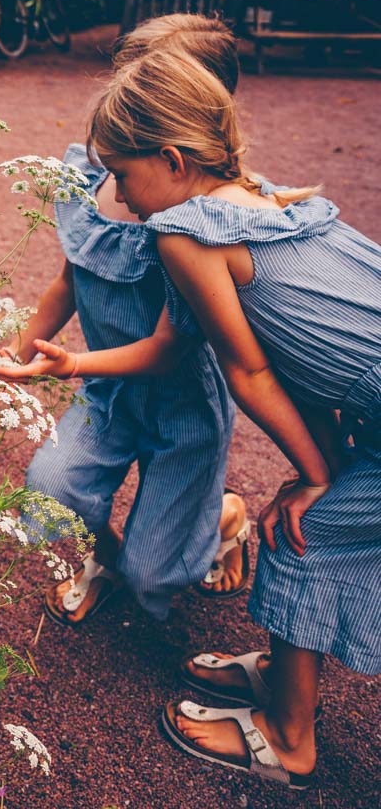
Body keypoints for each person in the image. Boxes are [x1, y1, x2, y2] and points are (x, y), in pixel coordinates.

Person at [31, 46, 379, 790]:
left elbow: (250, 373)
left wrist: (315, 476)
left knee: (303, 533)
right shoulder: (267, 198)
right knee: (313, 520)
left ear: (173, 158)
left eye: (124, 175)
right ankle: (287, 676)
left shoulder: (184, 232)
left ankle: (291, 741)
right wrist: (320, 464)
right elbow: (308, 361)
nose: (119, 198)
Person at [0, 14, 250, 626]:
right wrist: (18, 354)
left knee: (160, 575)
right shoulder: (96, 177)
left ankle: (223, 516)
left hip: (184, 405)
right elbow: (71, 276)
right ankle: (109, 558)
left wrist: (66, 363)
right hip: (106, 386)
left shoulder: (211, 216)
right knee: (54, 487)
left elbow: (174, 348)